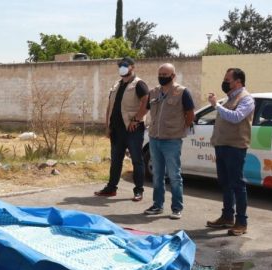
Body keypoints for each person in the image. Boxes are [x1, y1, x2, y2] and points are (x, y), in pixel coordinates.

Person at [206, 68, 255, 236]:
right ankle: (227, 217)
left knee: (237, 185)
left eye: (228, 79)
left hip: (235, 147)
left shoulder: (246, 99)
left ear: (238, 82)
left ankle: (241, 222)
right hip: (222, 145)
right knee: (225, 183)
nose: (225, 82)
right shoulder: (229, 98)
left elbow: (236, 117)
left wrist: (216, 106)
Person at [144, 63, 195, 219]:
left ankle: (176, 208)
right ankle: (157, 205)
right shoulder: (153, 92)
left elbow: (190, 113)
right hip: (154, 138)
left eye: (166, 74)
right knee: (157, 174)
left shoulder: (182, 92)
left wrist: (182, 128)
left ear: (173, 76)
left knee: (174, 175)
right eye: (160, 74)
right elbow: (145, 109)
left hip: (172, 139)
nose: (162, 77)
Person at [95, 57, 149, 201]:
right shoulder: (116, 85)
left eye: (125, 65)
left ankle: (138, 191)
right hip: (117, 130)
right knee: (116, 160)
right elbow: (110, 107)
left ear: (132, 67)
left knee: (137, 160)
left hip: (133, 130)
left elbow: (146, 102)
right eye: (120, 65)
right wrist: (108, 126)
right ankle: (111, 188)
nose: (122, 68)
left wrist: (137, 119)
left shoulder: (139, 84)